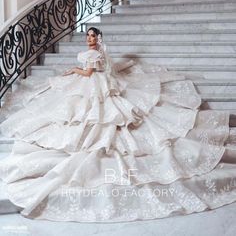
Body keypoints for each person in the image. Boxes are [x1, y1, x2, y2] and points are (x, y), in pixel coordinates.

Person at [0, 26, 236, 222]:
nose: (90, 39)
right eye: (88, 36)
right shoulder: (97, 51)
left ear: (97, 39)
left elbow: (88, 73)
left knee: (97, 114)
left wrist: (74, 70)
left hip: (95, 84)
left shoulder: (93, 55)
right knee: (79, 112)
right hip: (100, 82)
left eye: (93, 36)